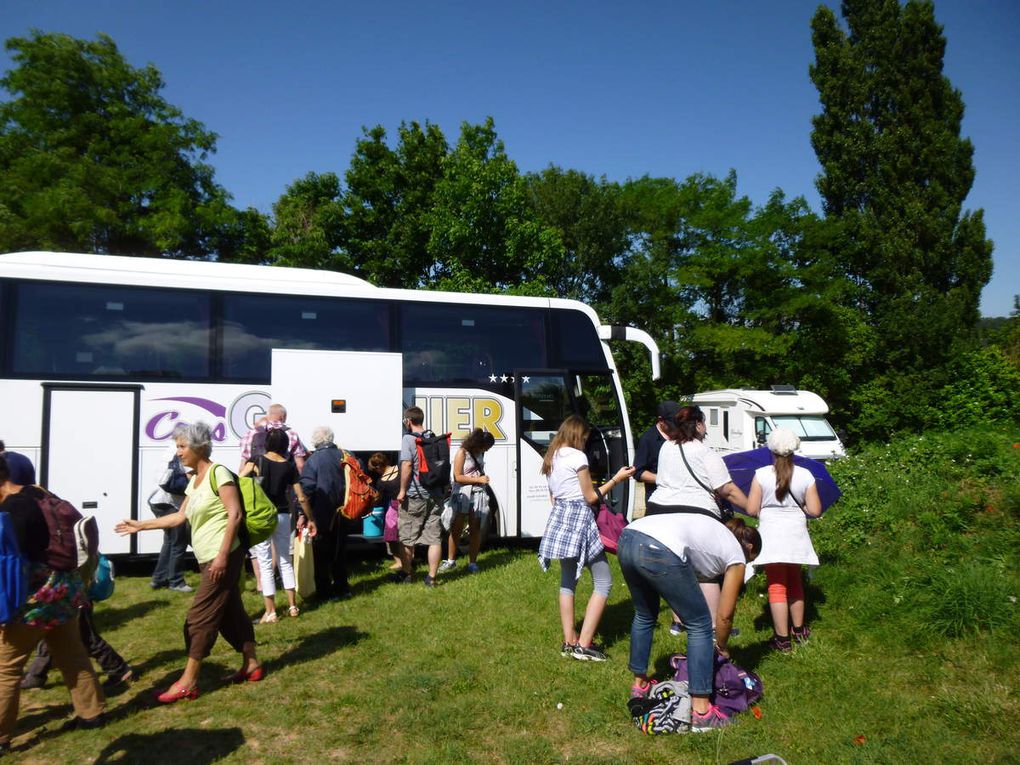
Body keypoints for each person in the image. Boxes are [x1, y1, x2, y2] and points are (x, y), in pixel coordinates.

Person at [115, 422, 262, 703]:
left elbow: (235, 515)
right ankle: (252, 663)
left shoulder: (219, 473)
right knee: (231, 612)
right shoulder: (195, 479)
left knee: (199, 618)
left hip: (223, 557)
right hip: (208, 558)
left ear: (198, 447)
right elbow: (179, 517)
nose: (178, 452)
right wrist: (141, 525)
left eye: (182, 446)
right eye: (178, 446)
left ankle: (189, 681)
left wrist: (221, 557)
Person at [0, 455, 106, 754]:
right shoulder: (42, 493)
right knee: (71, 653)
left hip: (35, 596)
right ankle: (92, 713)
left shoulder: (12, 508)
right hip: (65, 588)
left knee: (6, 667)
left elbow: (11, 562)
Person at [619, 513, 760, 730]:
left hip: (628, 537)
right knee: (701, 625)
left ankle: (639, 685)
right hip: (659, 546)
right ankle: (702, 712)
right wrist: (721, 646)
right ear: (749, 548)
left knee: (645, 614)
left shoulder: (717, 535)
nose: (747, 565)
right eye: (751, 560)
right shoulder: (736, 557)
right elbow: (725, 615)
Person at [538, 415, 636, 661]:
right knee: (604, 582)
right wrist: (617, 479)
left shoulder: (552, 455)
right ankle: (584, 644)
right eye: (584, 437)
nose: (585, 442)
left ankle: (569, 641)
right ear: (577, 435)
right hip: (581, 519)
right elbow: (591, 497)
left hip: (560, 518)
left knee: (567, 582)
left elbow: (553, 497)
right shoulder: (577, 457)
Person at [645, 406, 748, 627]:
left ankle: (678, 620)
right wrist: (752, 507)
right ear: (699, 425)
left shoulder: (666, 448)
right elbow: (726, 489)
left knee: (677, 568)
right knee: (706, 572)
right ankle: (713, 625)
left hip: (658, 512)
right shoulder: (705, 452)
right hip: (694, 514)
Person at [745, 427, 822, 652]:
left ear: (771, 449)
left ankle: (782, 638)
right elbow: (815, 510)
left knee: (777, 586)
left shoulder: (760, 474)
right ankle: (798, 631)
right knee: (795, 581)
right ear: (795, 449)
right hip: (796, 533)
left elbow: (751, 509)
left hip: (771, 532)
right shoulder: (806, 475)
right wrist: (803, 506)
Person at [240, 429, 315, 622]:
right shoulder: (289, 466)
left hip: (262, 516)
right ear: (285, 445)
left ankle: (270, 611)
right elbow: (301, 497)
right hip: (282, 515)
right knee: (285, 560)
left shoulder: (257, 460)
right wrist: (310, 518)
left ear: (266, 443)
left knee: (265, 563)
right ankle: (292, 606)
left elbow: (240, 480)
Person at [299, 426, 353, 601]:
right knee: (340, 551)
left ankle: (324, 592)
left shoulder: (313, 460)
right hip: (345, 510)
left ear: (316, 441)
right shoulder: (347, 455)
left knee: (321, 555)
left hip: (322, 513)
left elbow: (307, 488)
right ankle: (342, 588)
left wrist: (303, 513)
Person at [395, 407, 447, 588]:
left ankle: (407, 575)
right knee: (434, 538)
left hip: (415, 495)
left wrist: (402, 490)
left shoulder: (408, 439)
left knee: (407, 537)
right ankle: (432, 578)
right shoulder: (433, 437)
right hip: (436, 494)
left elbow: (407, 465)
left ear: (408, 421)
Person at [440, 428, 495, 574]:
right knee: (456, 528)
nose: (486, 451)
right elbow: (457, 476)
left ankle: (472, 563)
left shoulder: (479, 453)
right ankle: (451, 561)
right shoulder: (462, 453)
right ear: (478, 443)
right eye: (486, 447)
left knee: (475, 529)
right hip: (462, 494)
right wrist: (478, 479)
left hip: (477, 494)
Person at [147, 423, 193, 593]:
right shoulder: (182, 452)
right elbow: (190, 476)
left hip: (157, 500)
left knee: (169, 541)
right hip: (171, 503)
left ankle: (159, 578)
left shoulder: (169, 449)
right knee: (178, 543)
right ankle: (176, 581)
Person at [367, 453, 403, 579]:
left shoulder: (381, 481)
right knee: (396, 534)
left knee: (391, 535)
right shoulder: (400, 468)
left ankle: (402, 560)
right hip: (399, 505)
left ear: (378, 467)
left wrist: (369, 506)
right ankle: (403, 560)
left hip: (398, 505)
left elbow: (378, 498)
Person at [632, 401, 681, 493]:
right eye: (672, 424)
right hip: (658, 497)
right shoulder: (648, 439)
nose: (676, 428)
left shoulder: (682, 436)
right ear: (661, 420)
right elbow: (638, 472)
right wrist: (664, 480)